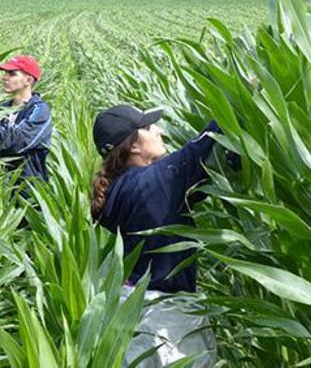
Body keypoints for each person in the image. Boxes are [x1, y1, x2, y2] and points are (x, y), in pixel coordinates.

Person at [91, 104, 225, 367]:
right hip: (166, 317)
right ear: (134, 146)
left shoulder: (122, 187)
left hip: (136, 306)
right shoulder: (153, 182)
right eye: (150, 127)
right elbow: (204, 143)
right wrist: (242, 91)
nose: (160, 131)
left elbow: (188, 188)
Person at [0, 55, 52, 187]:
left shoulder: (40, 111)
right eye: (5, 73)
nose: (4, 77)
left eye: (12, 74)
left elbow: (17, 142)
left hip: (28, 192)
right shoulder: (0, 109)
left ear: (28, 80)